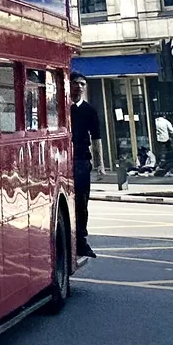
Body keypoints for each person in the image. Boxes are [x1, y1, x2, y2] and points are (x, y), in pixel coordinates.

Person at [69, 76, 102, 259]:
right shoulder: (61, 108)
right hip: (61, 159)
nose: (79, 87)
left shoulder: (89, 110)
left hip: (81, 160)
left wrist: (99, 164)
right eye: (76, 83)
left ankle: (81, 240)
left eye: (83, 84)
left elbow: (96, 138)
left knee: (81, 202)